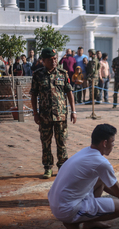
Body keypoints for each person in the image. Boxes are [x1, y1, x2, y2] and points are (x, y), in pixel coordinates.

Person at [48, 124, 119, 229]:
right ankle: (73, 222)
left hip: (57, 203)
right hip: (67, 209)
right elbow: (118, 192)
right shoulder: (101, 162)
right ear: (104, 143)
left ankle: (89, 222)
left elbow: (110, 186)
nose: (113, 145)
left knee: (101, 180)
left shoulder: (86, 151)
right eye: (112, 142)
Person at [30, 47, 76, 179]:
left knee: (62, 142)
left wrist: (73, 111)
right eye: (51, 59)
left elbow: (69, 93)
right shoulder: (38, 75)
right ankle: (48, 167)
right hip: (44, 116)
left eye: (55, 59)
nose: (54, 61)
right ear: (44, 60)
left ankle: (62, 167)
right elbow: (33, 95)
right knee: (46, 142)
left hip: (60, 115)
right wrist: (35, 113)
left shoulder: (63, 73)